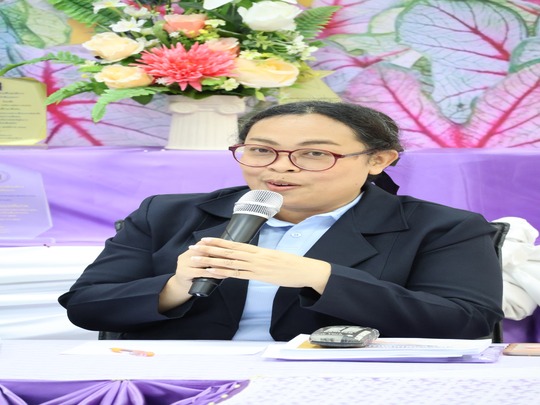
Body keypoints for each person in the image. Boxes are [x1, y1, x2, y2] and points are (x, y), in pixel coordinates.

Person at [58, 101, 504, 340]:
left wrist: (320, 276)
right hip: (182, 382)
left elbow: (466, 321)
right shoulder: (167, 213)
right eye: (260, 150)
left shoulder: (444, 228)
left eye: (314, 154)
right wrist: (174, 287)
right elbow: (85, 305)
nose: (280, 167)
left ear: (378, 160)